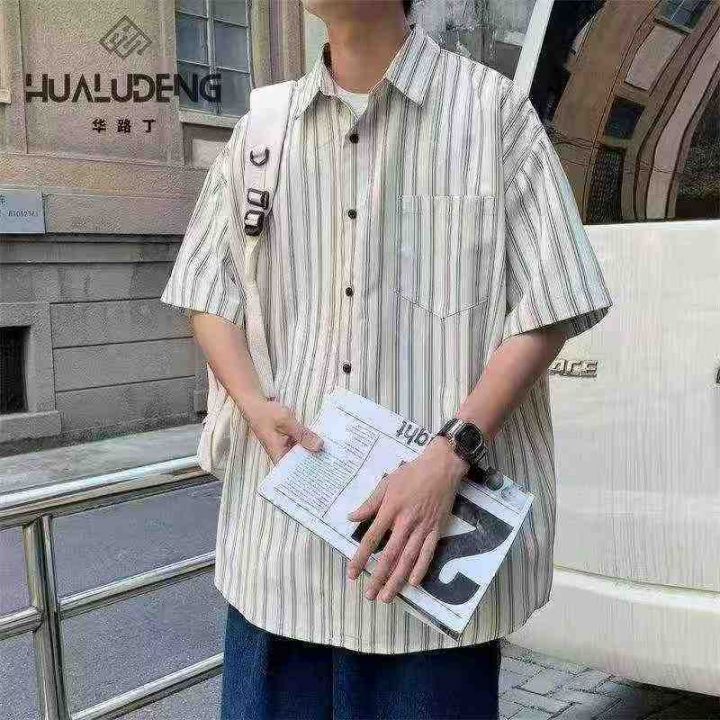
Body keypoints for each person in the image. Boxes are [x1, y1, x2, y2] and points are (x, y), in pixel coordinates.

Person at [159, 1, 613, 717]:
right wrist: (252, 402)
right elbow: (206, 289)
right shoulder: (264, 130)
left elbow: (550, 301)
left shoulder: (490, 113)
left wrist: (451, 454)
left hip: (424, 565)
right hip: (281, 558)